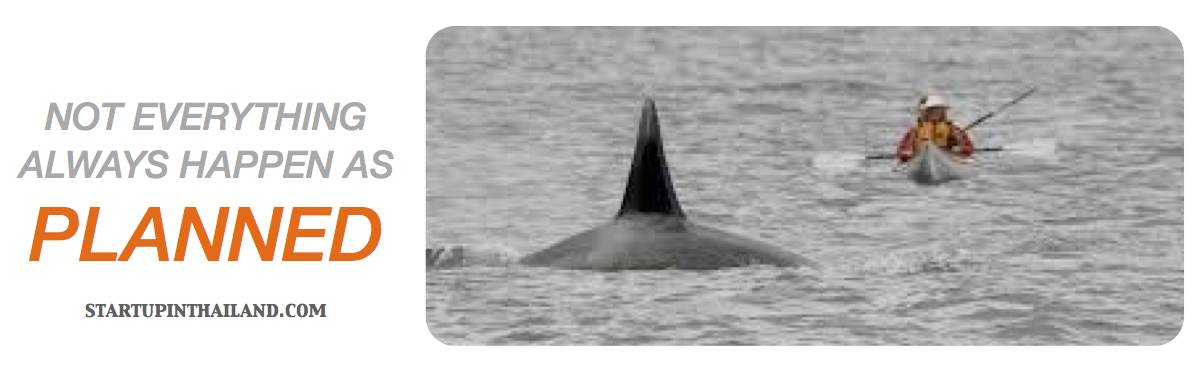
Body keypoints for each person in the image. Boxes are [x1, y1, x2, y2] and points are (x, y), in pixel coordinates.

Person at [896, 94, 974, 162]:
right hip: (920, 157)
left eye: (939, 110)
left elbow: (967, 148)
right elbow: (902, 149)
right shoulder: (914, 130)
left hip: (946, 157)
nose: (936, 112)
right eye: (932, 110)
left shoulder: (952, 129)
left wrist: (959, 146)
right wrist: (905, 154)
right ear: (925, 112)